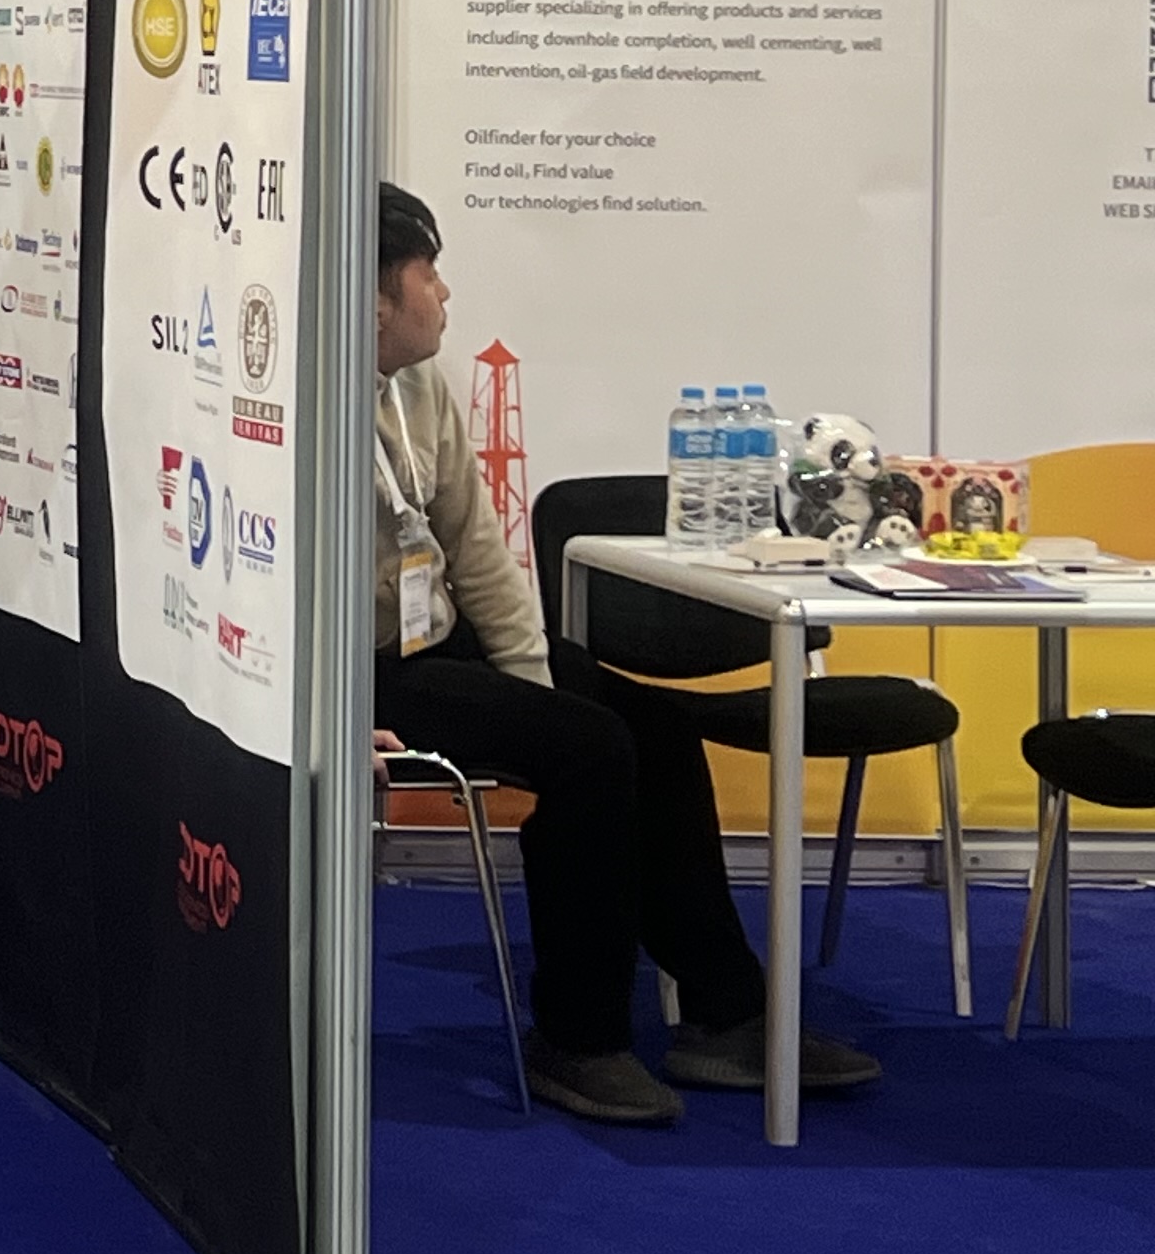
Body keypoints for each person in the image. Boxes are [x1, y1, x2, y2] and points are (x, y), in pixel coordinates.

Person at [370, 184, 879, 1126]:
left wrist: (534, 682)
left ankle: (727, 1013)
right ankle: (580, 1037)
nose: (445, 293)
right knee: (589, 748)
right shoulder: (296, 407)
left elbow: (477, 550)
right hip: (363, 673)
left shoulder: (418, 388)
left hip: (438, 636)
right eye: (428, 273)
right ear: (373, 300)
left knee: (653, 726)